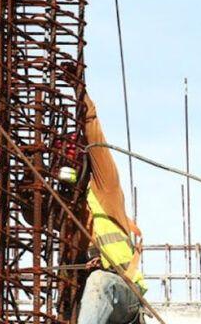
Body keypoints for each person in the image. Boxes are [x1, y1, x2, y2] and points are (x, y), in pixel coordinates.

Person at [76, 97, 147, 324]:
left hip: (125, 292)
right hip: (94, 303)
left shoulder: (104, 190)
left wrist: (81, 97)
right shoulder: (71, 211)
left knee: (99, 283)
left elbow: (96, 142)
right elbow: (34, 215)